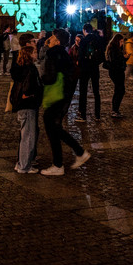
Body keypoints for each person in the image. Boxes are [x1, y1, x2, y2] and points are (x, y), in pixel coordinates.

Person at [39, 33, 86, 175]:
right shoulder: (64, 53)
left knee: (52, 126)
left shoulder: (54, 53)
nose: (49, 39)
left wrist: (41, 80)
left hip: (56, 95)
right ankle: (64, 160)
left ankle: (66, 160)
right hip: (63, 95)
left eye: (52, 38)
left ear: (58, 41)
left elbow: (50, 76)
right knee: (54, 127)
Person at [9, 52, 43, 174]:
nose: (36, 53)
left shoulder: (20, 68)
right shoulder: (30, 69)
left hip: (22, 105)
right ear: (29, 55)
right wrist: (32, 94)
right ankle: (24, 166)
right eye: (34, 52)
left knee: (25, 135)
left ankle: (21, 163)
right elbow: (29, 87)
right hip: (28, 104)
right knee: (28, 137)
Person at [105, 32, 130, 120]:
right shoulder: (114, 49)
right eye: (121, 41)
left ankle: (115, 110)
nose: (122, 43)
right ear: (117, 41)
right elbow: (116, 62)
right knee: (120, 90)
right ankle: (114, 110)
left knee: (119, 90)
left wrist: (125, 58)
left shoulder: (115, 49)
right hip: (116, 72)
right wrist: (124, 58)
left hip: (118, 71)